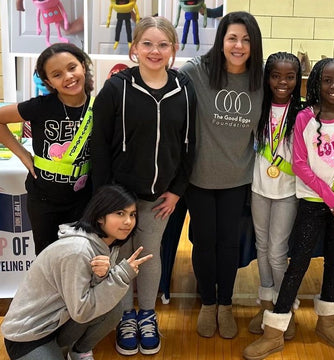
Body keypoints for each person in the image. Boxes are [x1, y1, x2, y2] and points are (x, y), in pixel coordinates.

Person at [244, 57, 334, 359]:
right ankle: (275, 330)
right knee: (297, 264)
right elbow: (299, 164)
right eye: (327, 80)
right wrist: (333, 199)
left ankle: (326, 321)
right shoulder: (305, 118)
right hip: (313, 202)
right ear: (315, 84)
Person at [91, 16, 196, 355]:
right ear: (134, 48)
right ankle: (124, 317)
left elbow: (189, 144)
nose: (155, 51)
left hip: (159, 197)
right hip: (120, 196)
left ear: (173, 50)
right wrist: (107, 198)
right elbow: (100, 144)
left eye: (162, 44)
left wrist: (178, 189)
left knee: (149, 257)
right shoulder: (116, 87)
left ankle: (147, 315)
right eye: (147, 44)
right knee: (120, 256)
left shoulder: (184, 89)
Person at [179, 11, 263, 339]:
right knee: (203, 242)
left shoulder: (259, 80)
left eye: (245, 39)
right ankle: (209, 303)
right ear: (221, 41)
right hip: (199, 178)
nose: (238, 45)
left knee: (229, 243)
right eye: (232, 38)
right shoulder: (196, 72)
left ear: (253, 44)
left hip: (237, 178)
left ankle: (225, 304)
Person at [1, 184, 153, 360]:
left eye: (132, 214)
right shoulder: (78, 251)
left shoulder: (108, 244)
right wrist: (120, 276)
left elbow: (91, 295)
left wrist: (102, 276)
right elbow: (81, 311)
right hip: (27, 336)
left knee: (112, 310)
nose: (128, 221)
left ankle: (78, 352)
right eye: (120, 213)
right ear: (100, 217)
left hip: (57, 324)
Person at [0, 43, 94, 255]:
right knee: (47, 260)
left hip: (83, 201)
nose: (68, 77)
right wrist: (23, 155)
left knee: (78, 259)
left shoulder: (99, 106)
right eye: (57, 74)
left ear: (83, 66)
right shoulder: (41, 106)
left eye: (72, 67)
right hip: (44, 201)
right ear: (48, 81)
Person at [247, 52, 302, 339]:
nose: (282, 82)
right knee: (262, 248)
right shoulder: (258, 107)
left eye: (290, 76)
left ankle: (285, 308)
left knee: (278, 253)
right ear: (267, 77)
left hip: (287, 192)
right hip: (259, 188)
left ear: (298, 79)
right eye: (276, 75)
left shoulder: (303, 113)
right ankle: (267, 304)